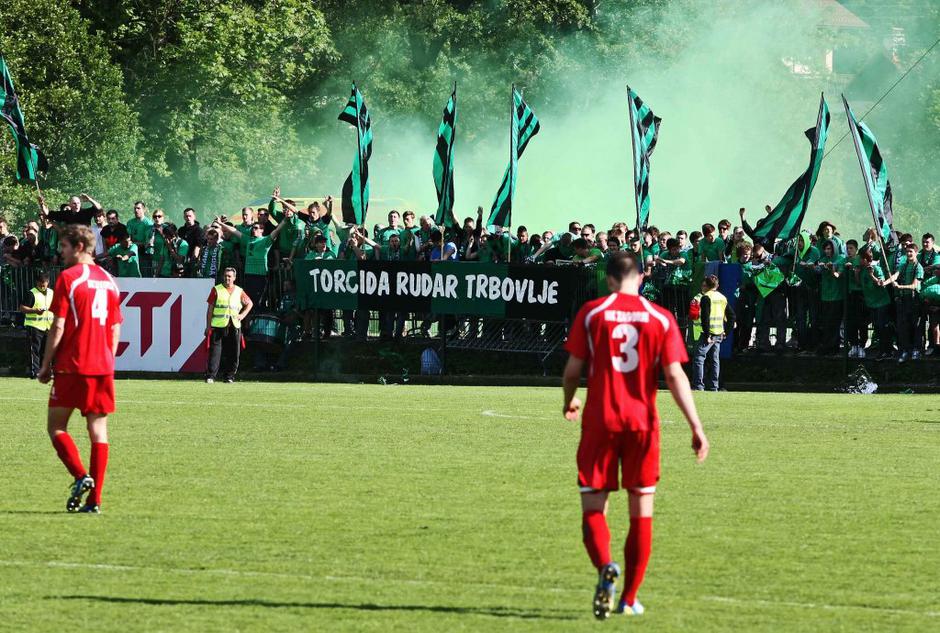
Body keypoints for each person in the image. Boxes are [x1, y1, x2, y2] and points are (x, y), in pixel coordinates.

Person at [561, 251, 709, 619]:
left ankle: (605, 566)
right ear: (641, 277)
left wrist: (569, 400)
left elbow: (572, 370)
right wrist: (695, 426)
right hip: (642, 425)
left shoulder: (592, 313)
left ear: (609, 279)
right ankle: (629, 598)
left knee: (593, 507)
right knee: (641, 511)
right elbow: (675, 375)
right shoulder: (660, 317)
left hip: (600, 422)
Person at [37, 225, 123, 514]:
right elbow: (115, 327)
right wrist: (108, 360)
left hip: (73, 365)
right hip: (102, 367)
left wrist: (46, 364)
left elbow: (58, 325)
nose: (60, 252)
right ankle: (95, 500)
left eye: (63, 246)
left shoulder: (69, 278)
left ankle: (80, 475)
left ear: (78, 247)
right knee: (98, 430)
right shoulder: (110, 281)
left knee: (56, 427)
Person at [205, 267, 253, 383]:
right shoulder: (216, 290)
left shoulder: (239, 291)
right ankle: (211, 376)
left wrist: (242, 315)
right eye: (226, 276)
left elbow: (250, 303)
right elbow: (210, 309)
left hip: (234, 325)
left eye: (230, 276)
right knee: (215, 353)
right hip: (218, 325)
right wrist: (208, 326)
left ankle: (229, 376)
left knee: (234, 352)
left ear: (234, 278)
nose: (227, 278)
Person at [690, 275, 734, 391]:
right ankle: (714, 386)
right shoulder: (722, 297)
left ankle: (698, 385)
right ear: (717, 285)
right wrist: (726, 332)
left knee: (699, 358)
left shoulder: (706, 297)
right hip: (719, 332)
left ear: (707, 285)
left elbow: (705, 318)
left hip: (708, 333)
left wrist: (707, 334)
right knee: (715, 360)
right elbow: (732, 316)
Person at [20, 271, 54, 378]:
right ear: (37, 282)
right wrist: (35, 310)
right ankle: (35, 372)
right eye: (40, 283)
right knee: (35, 350)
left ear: (48, 282)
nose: (42, 285)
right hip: (34, 326)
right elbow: (22, 308)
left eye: (44, 283)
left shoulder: (52, 293)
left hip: (48, 326)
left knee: (47, 350)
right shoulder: (31, 293)